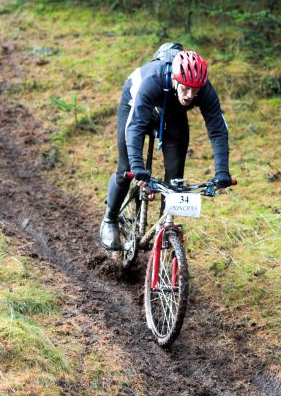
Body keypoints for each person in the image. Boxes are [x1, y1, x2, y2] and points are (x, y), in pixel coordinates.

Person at [99, 42, 232, 250]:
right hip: (135, 107)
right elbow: (135, 126)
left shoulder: (204, 90)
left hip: (171, 114)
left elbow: (217, 130)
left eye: (194, 90)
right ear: (175, 79)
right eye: (186, 88)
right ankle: (110, 219)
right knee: (126, 170)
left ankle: (164, 229)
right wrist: (137, 167)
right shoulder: (153, 80)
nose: (190, 95)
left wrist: (222, 171)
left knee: (175, 180)